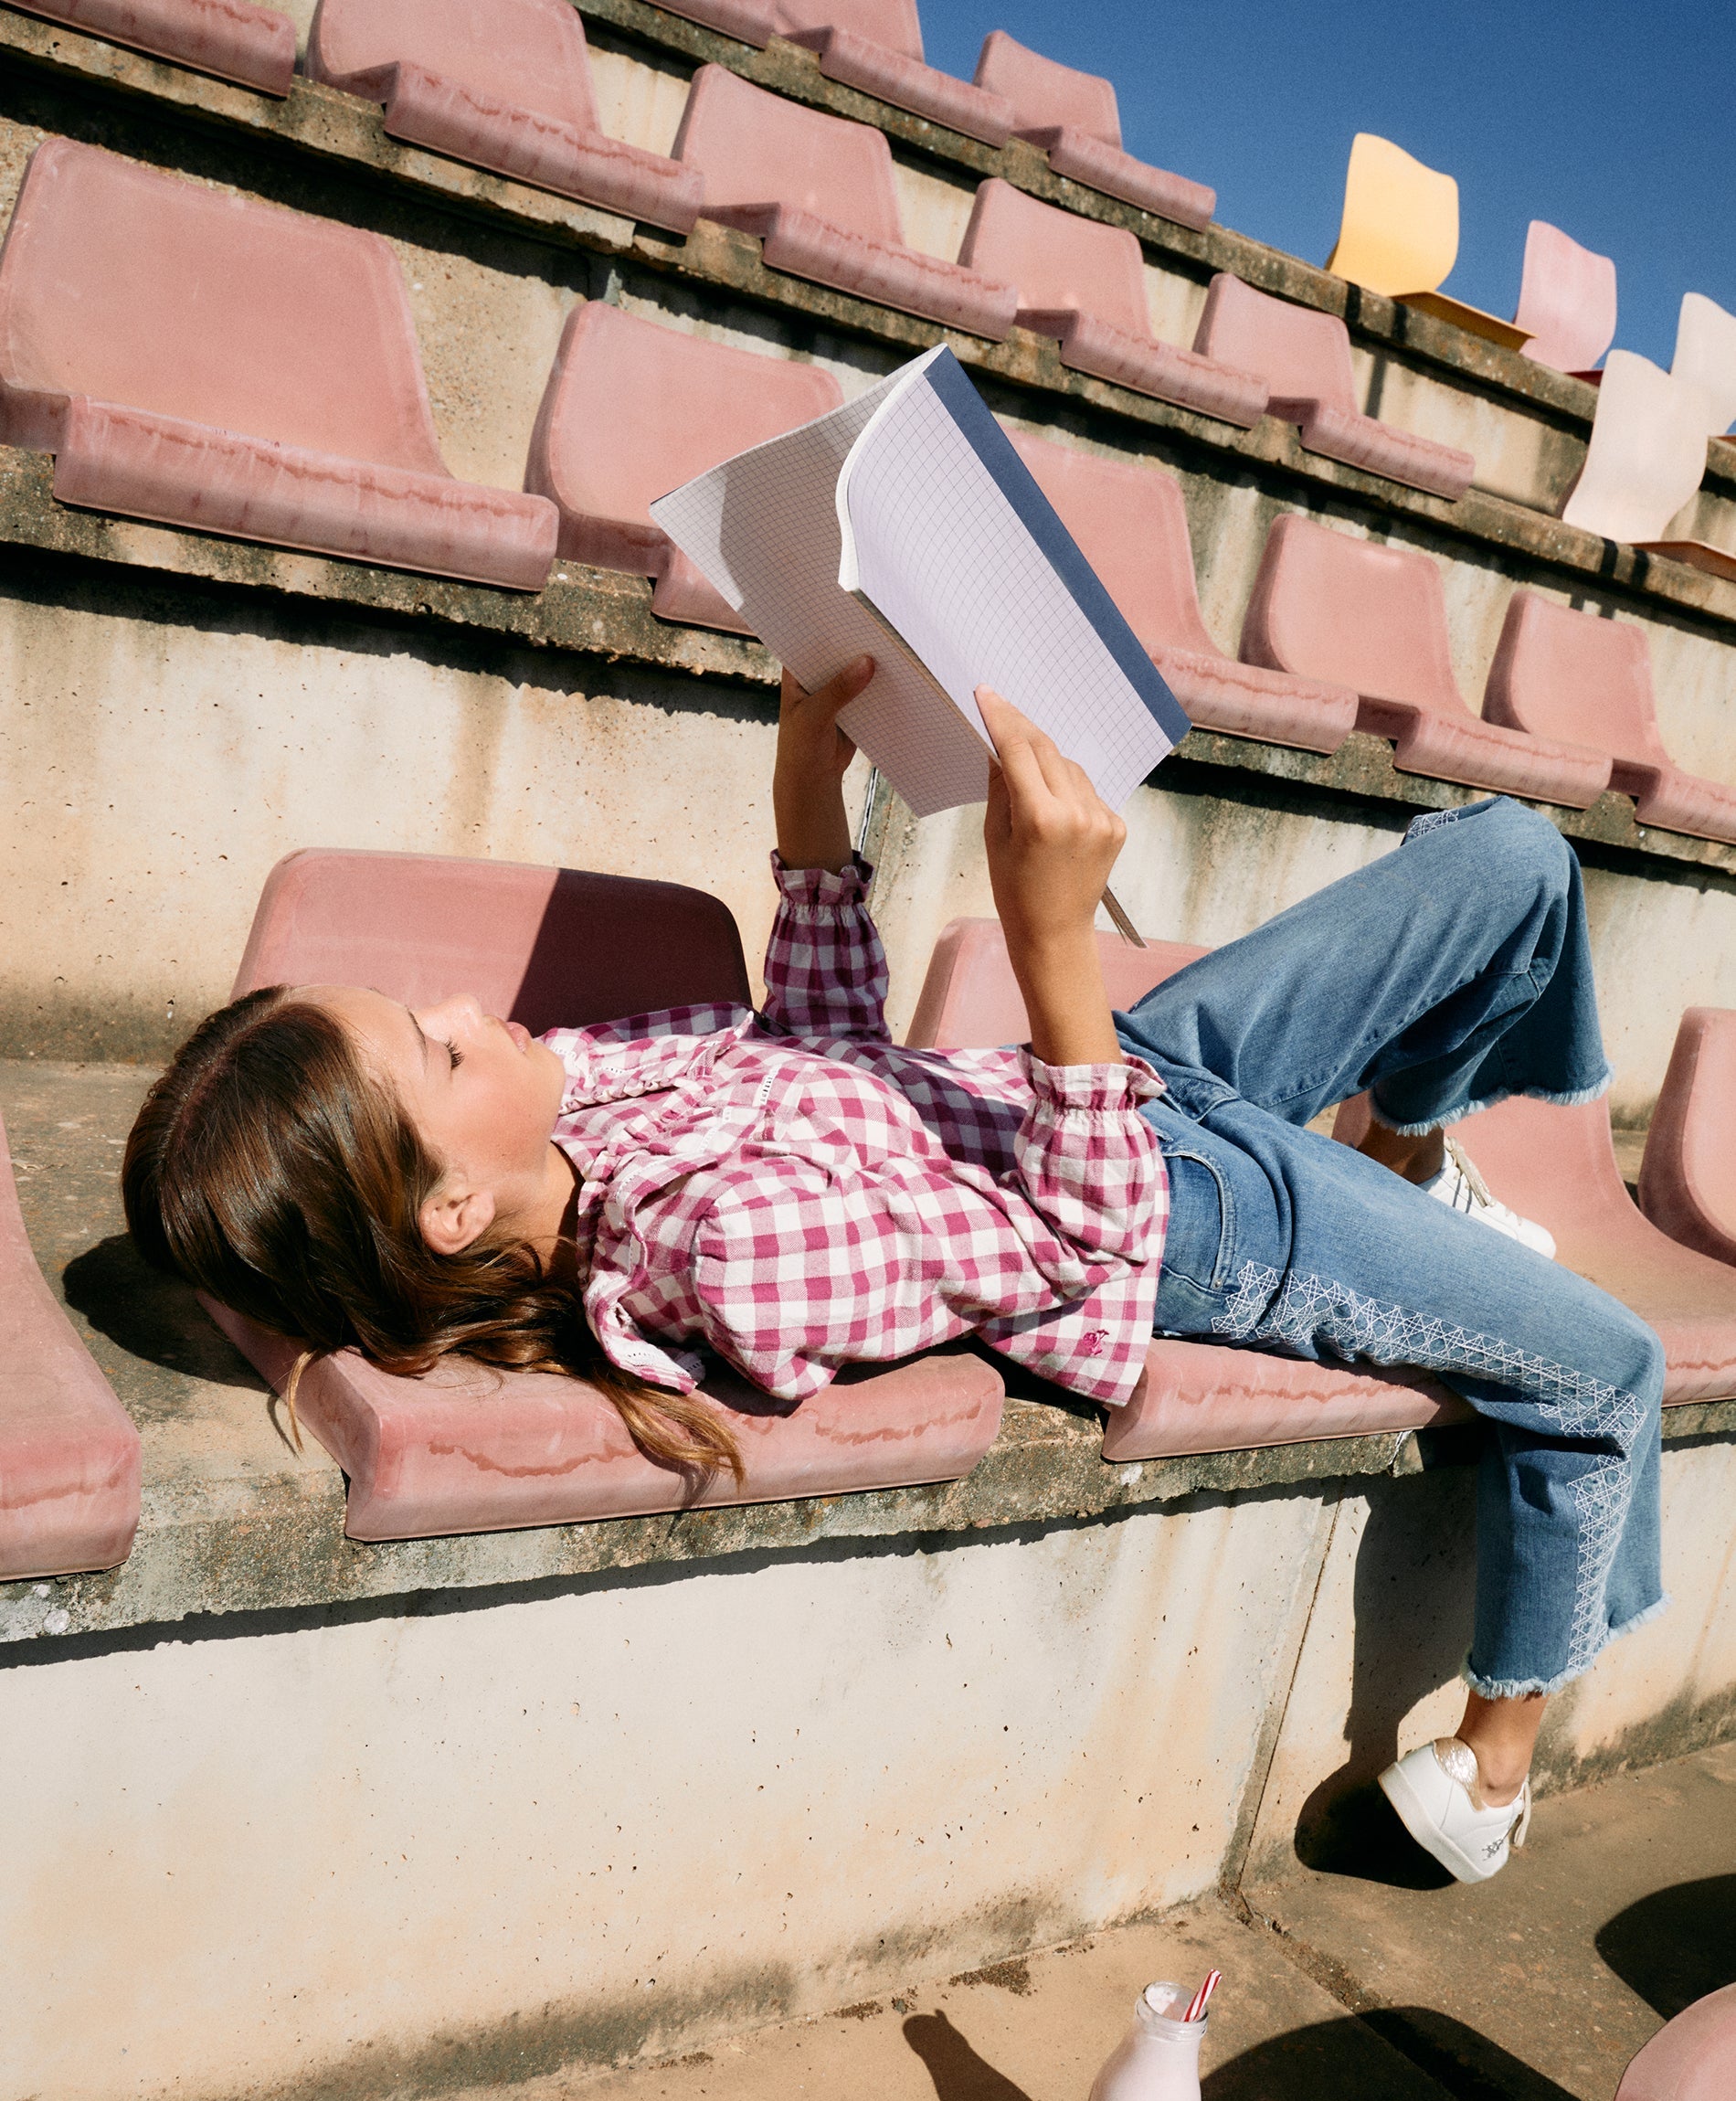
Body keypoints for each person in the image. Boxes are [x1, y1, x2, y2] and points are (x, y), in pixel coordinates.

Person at [124, 659, 1665, 1886]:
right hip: (1189, 1215)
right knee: (1607, 1374)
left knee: (1511, 858)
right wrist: (1047, 938)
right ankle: (1491, 1764)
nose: (470, 1005)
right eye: (436, 1045)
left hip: (1113, 1077)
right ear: (449, 1207)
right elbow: (1081, 1240)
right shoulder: (731, 1267)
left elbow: (828, 1065)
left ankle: (1401, 1154)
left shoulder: (578, 1088)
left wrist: (808, 813)